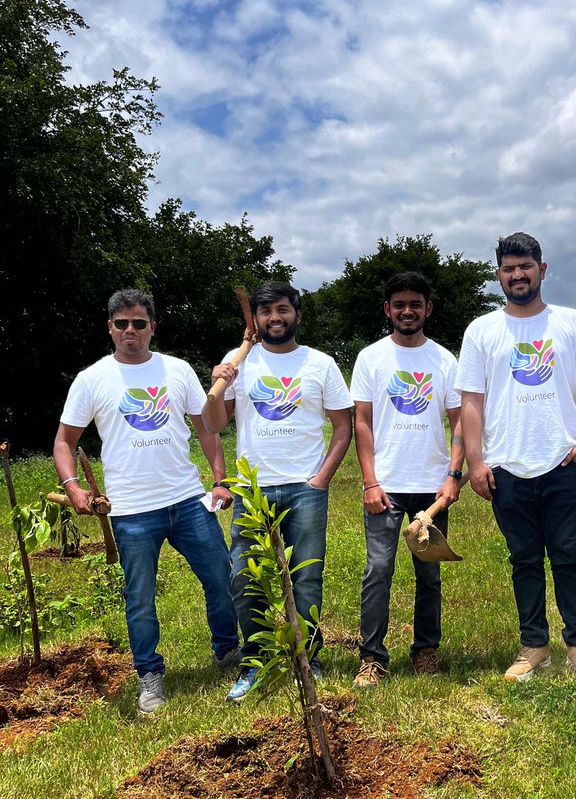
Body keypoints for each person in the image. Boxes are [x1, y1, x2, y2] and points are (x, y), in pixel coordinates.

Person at [53, 289, 239, 714]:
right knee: (140, 598)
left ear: (153, 326)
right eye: (122, 323)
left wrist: (220, 480)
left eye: (139, 323)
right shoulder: (92, 379)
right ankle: (149, 675)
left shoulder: (176, 370)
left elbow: (207, 430)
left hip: (188, 501)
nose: (130, 331)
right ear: (110, 328)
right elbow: (64, 442)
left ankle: (228, 652)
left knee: (222, 578)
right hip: (131, 511)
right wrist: (72, 486)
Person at [457, 232, 576, 681]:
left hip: (563, 461)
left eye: (525, 266)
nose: (517, 274)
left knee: (567, 555)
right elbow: (470, 401)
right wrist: (477, 461)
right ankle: (533, 645)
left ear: (542, 270)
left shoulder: (571, 323)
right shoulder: (482, 330)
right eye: (508, 268)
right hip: (506, 466)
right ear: (498, 275)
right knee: (523, 558)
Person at [203, 281, 352, 700]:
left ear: (297, 315)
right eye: (266, 311)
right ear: (256, 320)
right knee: (244, 579)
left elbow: (343, 427)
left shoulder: (320, 364)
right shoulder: (238, 363)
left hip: (305, 488)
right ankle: (255, 663)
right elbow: (213, 424)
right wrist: (218, 383)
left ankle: (308, 659)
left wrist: (320, 478)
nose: (275, 318)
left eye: (283, 309)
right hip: (253, 488)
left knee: (306, 579)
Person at [349, 271, 464, 687]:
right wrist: (369, 481)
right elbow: (361, 421)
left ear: (427, 309)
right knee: (378, 569)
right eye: (399, 305)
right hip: (387, 485)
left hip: (432, 488)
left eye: (416, 303)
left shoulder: (445, 360)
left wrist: (452, 475)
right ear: (388, 311)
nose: (408, 311)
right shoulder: (371, 358)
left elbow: (459, 423)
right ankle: (373, 657)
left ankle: (426, 651)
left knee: (429, 573)